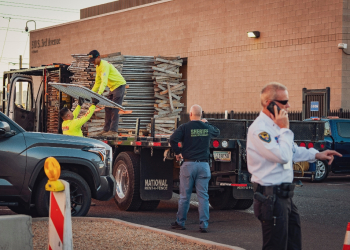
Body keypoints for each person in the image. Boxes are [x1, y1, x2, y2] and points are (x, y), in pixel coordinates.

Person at [247, 82, 342, 250]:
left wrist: (316, 155)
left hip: (284, 197)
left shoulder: (275, 126)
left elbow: (292, 150)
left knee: (293, 244)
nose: (288, 106)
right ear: (269, 103)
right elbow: (282, 156)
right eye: (284, 102)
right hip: (271, 197)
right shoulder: (260, 129)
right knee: (276, 246)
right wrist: (285, 130)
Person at [169, 104, 220, 233]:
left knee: (185, 196)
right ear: (201, 115)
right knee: (203, 196)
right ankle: (204, 224)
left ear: (190, 114)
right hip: (203, 166)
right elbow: (217, 132)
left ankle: (180, 222)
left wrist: (177, 152)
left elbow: (173, 139)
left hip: (188, 165)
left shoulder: (185, 127)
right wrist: (206, 123)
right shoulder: (206, 127)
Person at [88, 50, 126, 138]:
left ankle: (113, 131)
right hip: (113, 87)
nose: (93, 62)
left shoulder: (104, 65)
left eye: (94, 60)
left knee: (115, 108)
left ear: (98, 57)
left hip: (119, 85)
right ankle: (106, 130)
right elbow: (97, 83)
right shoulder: (98, 67)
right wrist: (91, 94)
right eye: (91, 61)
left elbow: (104, 82)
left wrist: (99, 94)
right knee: (108, 108)